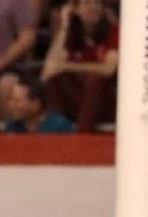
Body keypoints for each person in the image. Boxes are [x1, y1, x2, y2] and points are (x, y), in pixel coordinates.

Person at [40, 0, 118, 132]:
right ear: (75, 9)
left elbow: (108, 69)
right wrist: (64, 26)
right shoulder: (71, 34)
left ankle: (82, 134)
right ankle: (53, 131)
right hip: (77, 100)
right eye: (87, 3)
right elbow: (47, 73)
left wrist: (68, 66)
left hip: (106, 102)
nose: (93, 7)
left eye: (97, 3)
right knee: (55, 79)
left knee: (94, 79)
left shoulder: (113, 32)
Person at [4, 77, 73, 134]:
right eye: (11, 99)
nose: (11, 105)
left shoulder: (60, 127)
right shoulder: (12, 126)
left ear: (35, 104)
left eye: (17, 101)